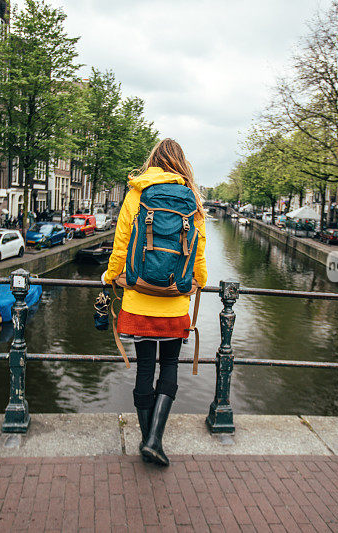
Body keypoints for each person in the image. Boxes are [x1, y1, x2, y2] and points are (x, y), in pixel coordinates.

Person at [102, 139, 207, 467]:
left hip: (138, 298)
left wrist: (110, 277)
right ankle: (154, 440)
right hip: (175, 301)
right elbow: (199, 249)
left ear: (153, 162)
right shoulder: (192, 200)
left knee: (145, 368)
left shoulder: (136, 193)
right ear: (181, 164)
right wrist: (198, 283)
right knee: (170, 367)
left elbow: (121, 243)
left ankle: (146, 440)